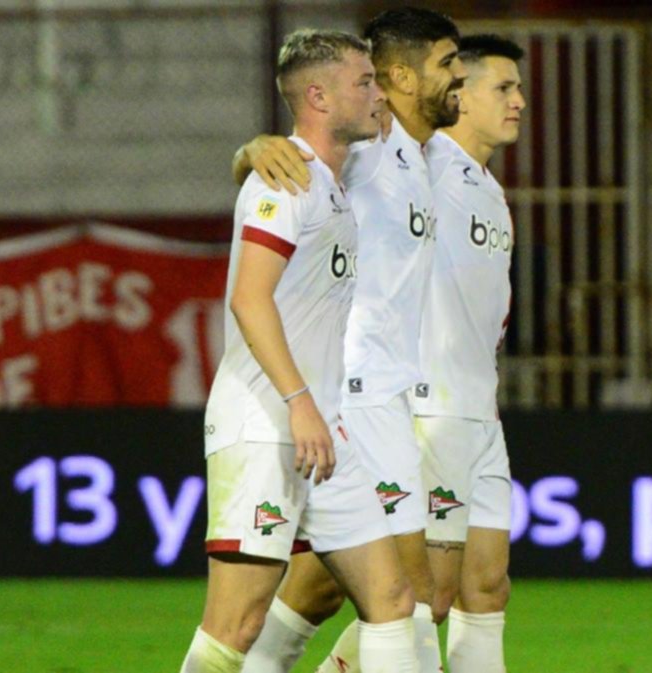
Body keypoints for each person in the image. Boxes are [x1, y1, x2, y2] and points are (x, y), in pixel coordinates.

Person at [232, 8, 467, 673]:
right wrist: (254, 149)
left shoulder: (425, 157)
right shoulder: (370, 143)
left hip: (386, 392)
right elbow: (290, 165)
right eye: (449, 64)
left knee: (325, 584)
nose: (462, 78)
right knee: (413, 593)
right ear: (399, 76)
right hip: (356, 390)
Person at [178, 29, 419, 673]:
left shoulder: (335, 176)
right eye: (364, 83)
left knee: (393, 600)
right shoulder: (284, 180)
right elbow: (248, 299)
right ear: (318, 95)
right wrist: (299, 402)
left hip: (322, 433)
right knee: (236, 624)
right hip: (268, 422)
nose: (379, 95)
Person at [413, 33, 526, 673]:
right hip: (433, 409)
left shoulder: (489, 192)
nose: (520, 101)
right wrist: (261, 152)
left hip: (480, 411)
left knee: (487, 588)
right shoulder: (420, 166)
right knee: (425, 596)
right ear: (461, 94)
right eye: (504, 88)